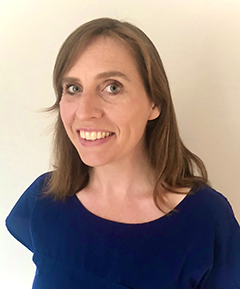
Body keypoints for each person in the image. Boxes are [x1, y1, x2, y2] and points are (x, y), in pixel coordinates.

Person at [6, 17, 240, 289]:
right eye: (74, 88)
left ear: (155, 103)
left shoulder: (207, 220)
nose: (84, 111)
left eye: (112, 87)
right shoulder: (44, 198)